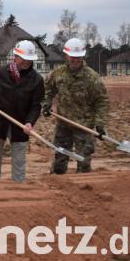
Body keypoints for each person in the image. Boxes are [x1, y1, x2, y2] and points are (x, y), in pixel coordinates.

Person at [44, 38, 109, 174]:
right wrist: (47, 103)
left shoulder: (92, 77)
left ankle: (83, 191)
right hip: (63, 124)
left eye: (78, 58)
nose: (75, 61)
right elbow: (48, 89)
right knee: (59, 162)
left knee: (83, 162)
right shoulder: (58, 74)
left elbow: (102, 100)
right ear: (66, 56)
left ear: (82, 56)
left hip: (84, 126)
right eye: (72, 57)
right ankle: (58, 189)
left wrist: (100, 124)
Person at [0, 40, 45, 182]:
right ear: (16, 57)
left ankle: (19, 188)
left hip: (21, 125)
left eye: (29, 60)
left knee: (19, 162)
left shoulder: (37, 80)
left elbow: (36, 106)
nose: (27, 63)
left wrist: (30, 122)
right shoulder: (1, 72)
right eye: (24, 59)